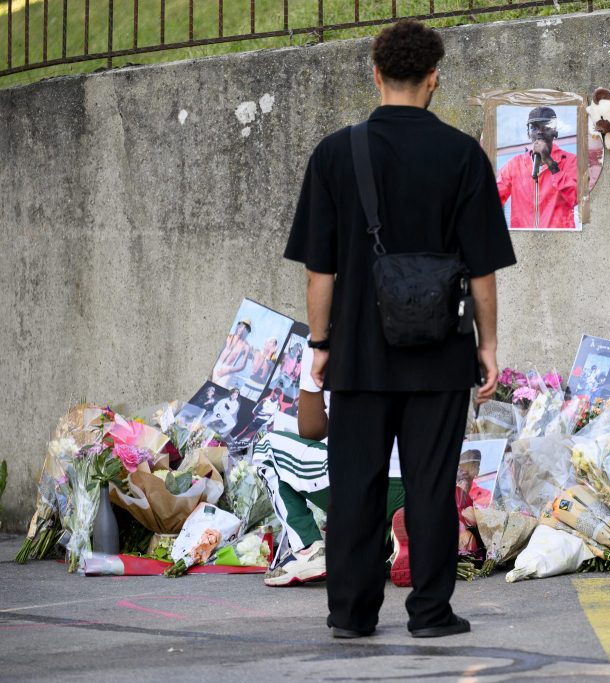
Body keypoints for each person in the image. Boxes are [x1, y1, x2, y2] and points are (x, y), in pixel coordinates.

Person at [284, 20, 516, 639]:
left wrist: (321, 343)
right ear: (435, 78)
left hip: (359, 353)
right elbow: (484, 273)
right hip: (439, 352)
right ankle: (431, 614)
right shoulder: (463, 154)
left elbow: (319, 271)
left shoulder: (336, 153)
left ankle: (352, 615)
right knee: (431, 484)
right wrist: (487, 347)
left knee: (355, 483)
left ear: (376, 73)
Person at [255, 339, 406, 587]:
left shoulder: (326, 336)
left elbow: (312, 429)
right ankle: (394, 543)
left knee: (268, 447)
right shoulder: (416, 324)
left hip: (359, 479)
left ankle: (308, 549)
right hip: (416, 481)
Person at [495, 107, 577, 229]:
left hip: (560, 241)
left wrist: (550, 163)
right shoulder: (514, 165)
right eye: (534, 127)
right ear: (528, 133)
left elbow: (576, 198)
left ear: (555, 132)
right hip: (525, 242)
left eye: (545, 126)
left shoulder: (571, 161)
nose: (539, 132)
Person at [213, 319, 253, 388]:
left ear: (247, 331)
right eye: (241, 326)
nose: (242, 329)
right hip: (217, 365)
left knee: (220, 391)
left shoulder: (246, 346)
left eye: (245, 328)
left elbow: (242, 366)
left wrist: (227, 370)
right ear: (238, 326)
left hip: (228, 371)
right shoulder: (228, 336)